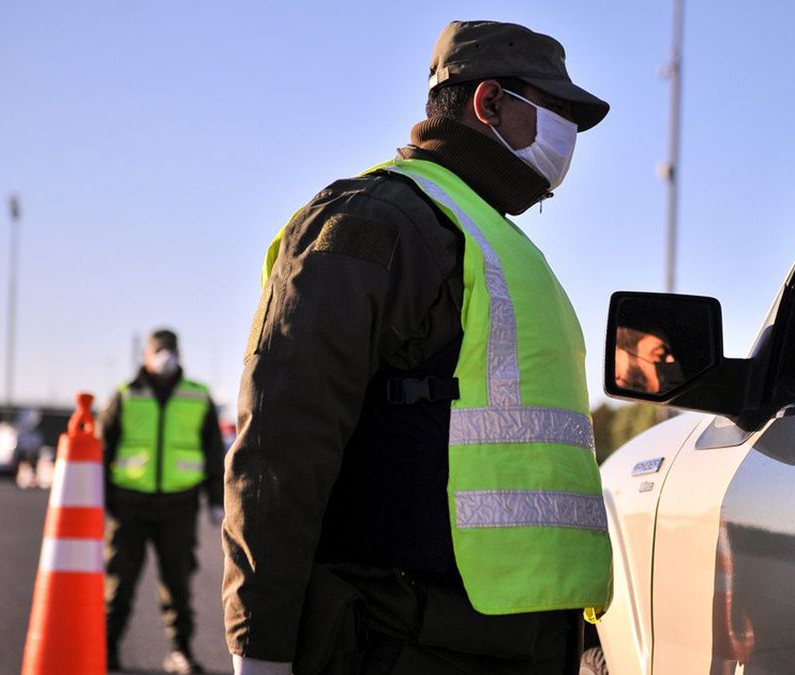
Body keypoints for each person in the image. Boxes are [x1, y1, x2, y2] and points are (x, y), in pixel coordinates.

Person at [223, 20, 612, 675]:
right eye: (556, 110)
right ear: (489, 103)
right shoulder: (376, 218)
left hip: (514, 645)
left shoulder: (493, 238)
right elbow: (284, 440)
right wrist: (258, 648)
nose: (568, 134)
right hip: (405, 641)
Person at [99, 328, 225, 674]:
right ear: (146, 355)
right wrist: (103, 498)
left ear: (179, 353)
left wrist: (216, 500)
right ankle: (106, 649)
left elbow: (214, 452)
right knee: (119, 582)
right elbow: (102, 447)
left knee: (178, 584)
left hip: (179, 506)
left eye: (169, 350)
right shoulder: (126, 395)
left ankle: (180, 651)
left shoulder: (198, 396)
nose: (164, 356)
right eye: (158, 350)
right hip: (128, 506)